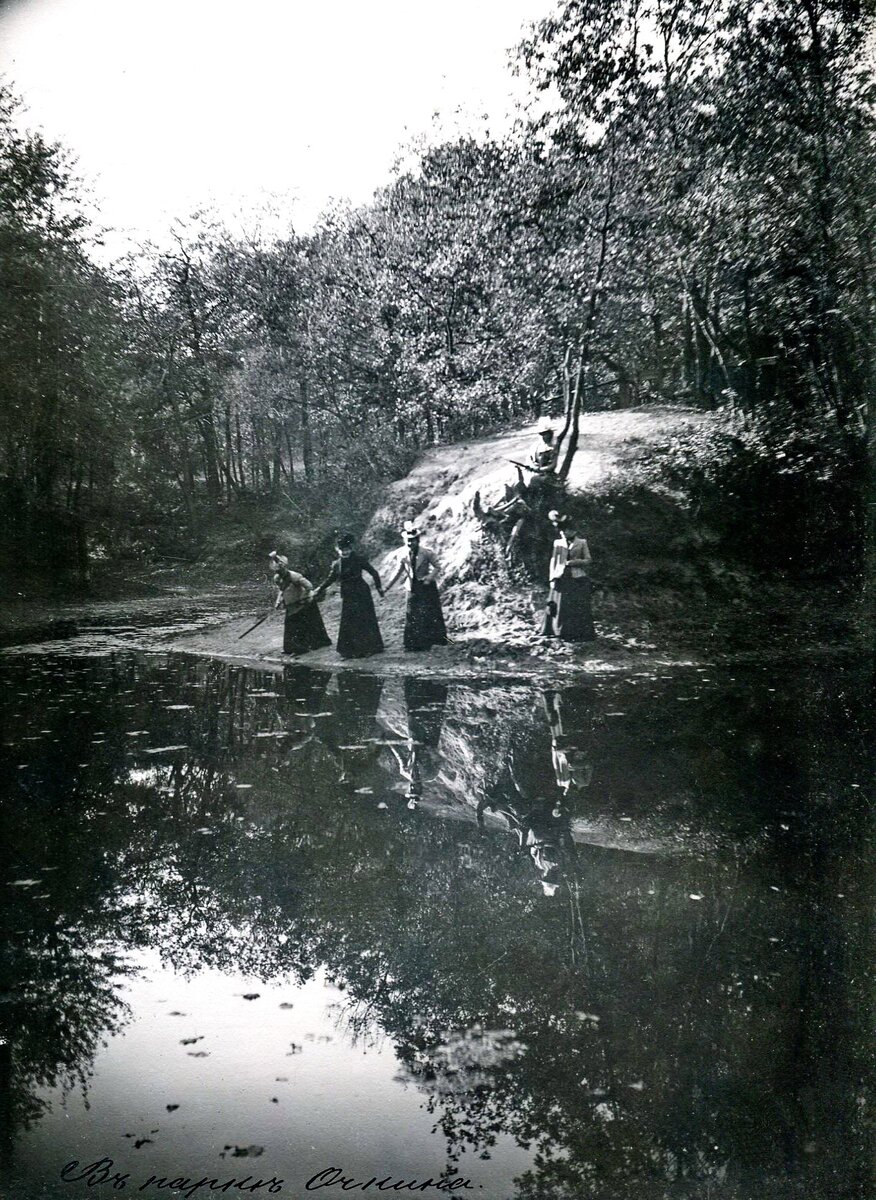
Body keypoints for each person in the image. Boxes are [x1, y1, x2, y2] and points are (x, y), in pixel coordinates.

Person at [313, 533, 384, 659]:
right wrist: (319, 589)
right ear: (338, 550)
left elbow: (374, 572)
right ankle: (350, 650)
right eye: (342, 550)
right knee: (349, 621)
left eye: (347, 550)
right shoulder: (336, 564)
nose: (344, 552)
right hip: (347, 594)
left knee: (364, 619)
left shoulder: (359, 559)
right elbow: (330, 579)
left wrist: (379, 587)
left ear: (351, 549)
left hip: (361, 592)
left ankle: (370, 648)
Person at [383, 521, 448, 651]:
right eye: (407, 541)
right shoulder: (402, 554)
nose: (410, 543)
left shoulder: (427, 553)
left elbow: (437, 566)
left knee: (430, 612)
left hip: (426, 586)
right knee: (411, 614)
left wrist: (429, 578)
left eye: (412, 540)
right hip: (412, 586)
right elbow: (398, 571)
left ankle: (434, 640)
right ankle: (412, 644)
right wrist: (387, 587)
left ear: (417, 540)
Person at [541, 511, 596, 641]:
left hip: (578, 577)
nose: (564, 533)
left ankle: (578, 633)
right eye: (562, 531)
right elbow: (553, 562)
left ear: (574, 531)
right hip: (561, 577)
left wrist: (573, 562)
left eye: (567, 530)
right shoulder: (558, 543)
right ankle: (558, 631)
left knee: (577, 605)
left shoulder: (582, 542)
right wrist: (552, 579)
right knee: (559, 606)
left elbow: (588, 560)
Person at [269, 552, 331, 656]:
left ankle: (300, 649)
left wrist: (303, 598)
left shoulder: (295, 576)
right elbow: (281, 590)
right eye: (277, 570)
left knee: (300, 626)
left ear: (284, 567)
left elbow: (309, 586)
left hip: (304, 603)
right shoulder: (277, 578)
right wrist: (278, 601)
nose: (279, 572)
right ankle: (290, 648)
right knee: (289, 626)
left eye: (281, 569)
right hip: (291, 605)